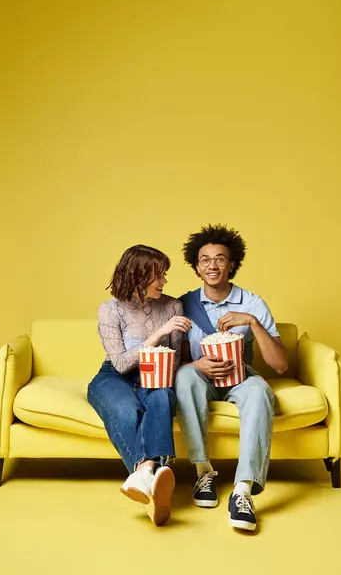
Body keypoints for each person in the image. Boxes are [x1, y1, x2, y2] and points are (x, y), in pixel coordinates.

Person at [175, 225, 288, 532]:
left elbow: (279, 365)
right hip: (202, 376)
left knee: (262, 392)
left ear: (232, 264)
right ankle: (204, 472)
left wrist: (251, 322)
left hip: (241, 377)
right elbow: (178, 356)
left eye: (220, 259)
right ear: (197, 267)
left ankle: (243, 490)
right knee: (183, 376)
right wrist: (196, 363)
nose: (212, 265)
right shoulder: (184, 303)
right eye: (205, 260)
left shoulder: (252, 303)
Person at [87, 244, 191, 526]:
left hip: (156, 375)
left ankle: (144, 476)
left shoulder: (172, 306)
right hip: (113, 376)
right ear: (136, 275)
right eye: (158, 275)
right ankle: (153, 471)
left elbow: (175, 362)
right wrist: (158, 334)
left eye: (164, 275)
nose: (164, 281)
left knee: (162, 399)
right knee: (126, 409)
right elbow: (120, 363)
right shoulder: (110, 310)